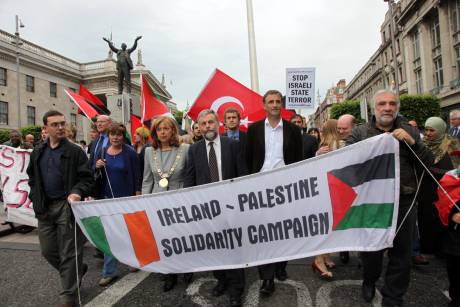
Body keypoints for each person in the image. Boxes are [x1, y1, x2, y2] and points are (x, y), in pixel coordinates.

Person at [346, 89, 433, 307]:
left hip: (404, 200)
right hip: (372, 202)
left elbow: (428, 161)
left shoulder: (409, 129)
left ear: (397, 107)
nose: (387, 107)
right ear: (374, 108)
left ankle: (393, 297)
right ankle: (369, 278)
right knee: (372, 250)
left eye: (392, 104)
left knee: (402, 253)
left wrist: (413, 142)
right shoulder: (360, 132)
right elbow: (346, 163)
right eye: (382, 103)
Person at [27, 110, 94, 307]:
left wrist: (76, 192)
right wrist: (35, 197)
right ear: (45, 128)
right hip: (45, 208)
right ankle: (77, 269)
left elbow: (87, 179)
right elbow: (32, 178)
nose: (60, 127)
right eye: (55, 124)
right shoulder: (38, 151)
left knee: (69, 252)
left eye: (62, 123)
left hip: (67, 207)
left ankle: (68, 297)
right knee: (48, 251)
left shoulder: (75, 152)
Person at [184, 109, 246, 307]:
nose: (208, 126)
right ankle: (222, 279)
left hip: (231, 205)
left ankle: (236, 288)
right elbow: (190, 180)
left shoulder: (233, 145)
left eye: (211, 122)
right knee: (215, 247)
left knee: (234, 247)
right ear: (199, 128)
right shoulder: (194, 150)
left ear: (219, 124)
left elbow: (243, 175)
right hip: (207, 209)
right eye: (204, 124)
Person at [246, 90, 303, 297]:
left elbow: (298, 160)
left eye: (278, 101)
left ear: (282, 105)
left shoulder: (293, 131)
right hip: (260, 187)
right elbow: (247, 159)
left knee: (284, 229)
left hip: (285, 187)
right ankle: (267, 277)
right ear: (264, 105)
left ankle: (281, 264)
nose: (275, 105)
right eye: (271, 101)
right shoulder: (252, 131)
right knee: (264, 232)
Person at [142, 116, 190, 292]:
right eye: (159, 129)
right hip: (157, 201)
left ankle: (186, 267)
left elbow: (189, 176)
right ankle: (170, 273)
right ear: (154, 133)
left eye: (166, 129)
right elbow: (147, 180)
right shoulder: (149, 152)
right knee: (164, 239)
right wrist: (145, 203)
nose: (162, 132)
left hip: (180, 200)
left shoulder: (185, 149)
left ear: (173, 130)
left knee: (182, 237)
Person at [95, 122, 141, 287]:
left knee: (129, 233)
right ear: (108, 136)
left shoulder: (130, 152)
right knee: (110, 236)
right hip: (107, 199)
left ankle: (133, 261)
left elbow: (137, 175)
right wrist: (96, 166)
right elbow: (92, 171)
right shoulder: (101, 151)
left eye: (119, 134)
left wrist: (137, 194)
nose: (115, 137)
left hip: (126, 199)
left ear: (123, 136)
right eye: (112, 134)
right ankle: (109, 271)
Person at [417, 117, 460, 259]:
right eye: (426, 129)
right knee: (426, 217)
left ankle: (443, 250)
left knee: (442, 218)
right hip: (425, 188)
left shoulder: (452, 144)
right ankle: (427, 247)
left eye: (432, 130)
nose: (428, 133)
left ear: (440, 130)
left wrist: (433, 171)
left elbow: (455, 170)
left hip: (446, 190)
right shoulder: (422, 144)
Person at [313, 119, 341, 280]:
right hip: (330, 189)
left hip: (333, 189)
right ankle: (318, 259)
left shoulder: (327, 143)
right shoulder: (331, 145)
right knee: (326, 226)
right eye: (340, 128)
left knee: (330, 225)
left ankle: (325, 257)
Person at [336, 114, 356, 264]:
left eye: (344, 128)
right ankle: (344, 249)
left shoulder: (364, 141)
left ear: (354, 127)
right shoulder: (332, 143)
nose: (341, 131)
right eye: (339, 129)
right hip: (340, 189)